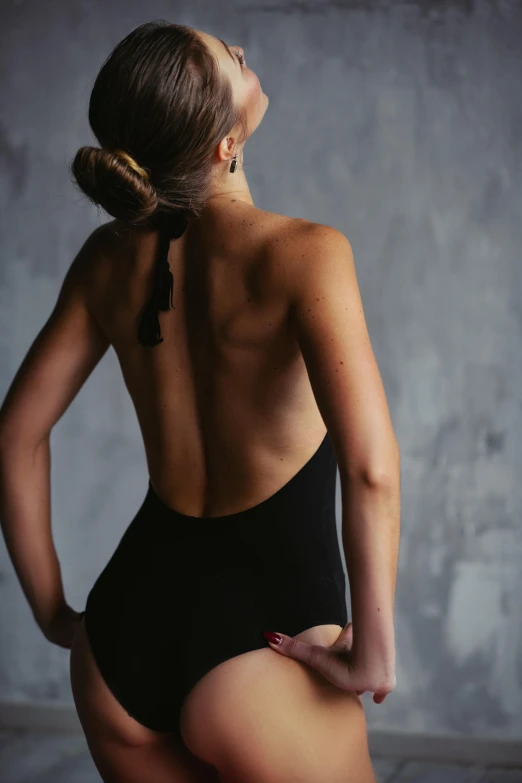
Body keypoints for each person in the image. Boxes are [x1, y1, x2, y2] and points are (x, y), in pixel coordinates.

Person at [0, 20, 400, 783]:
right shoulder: (307, 254)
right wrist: (375, 649)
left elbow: (15, 433)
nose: (245, 54)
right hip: (263, 648)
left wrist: (56, 613)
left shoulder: (104, 260)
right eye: (232, 61)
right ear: (222, 145)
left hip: (122, 641)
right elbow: (371, 468)